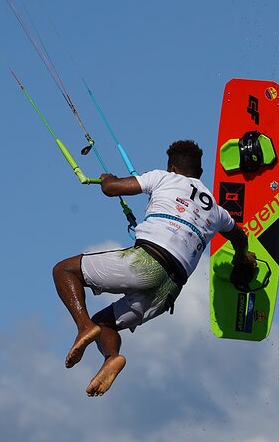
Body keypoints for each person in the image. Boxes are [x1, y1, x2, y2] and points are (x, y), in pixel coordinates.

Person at [52, 140, 256, 397]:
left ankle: (83, 326)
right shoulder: (216, 210)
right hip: (169, 290)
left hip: (148, 262)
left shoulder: (163, 178)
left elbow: (111, 189)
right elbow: (240, 236)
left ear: (172, 166)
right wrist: (241, 259)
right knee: (106, 324)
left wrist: (107, 179)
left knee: (64, 271)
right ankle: (111, 357)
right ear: (200, 173)